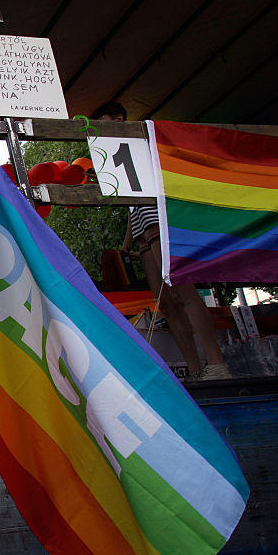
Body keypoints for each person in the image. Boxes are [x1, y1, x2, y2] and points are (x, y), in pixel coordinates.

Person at [96, 98, 230, 380]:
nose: (100, 127)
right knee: (165, 303)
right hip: (144, 229)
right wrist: (127, 244)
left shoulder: (143, 140)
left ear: (118, 119)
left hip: (160, 222)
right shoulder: (114, 153)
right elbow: (131, 201)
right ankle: (194, 369)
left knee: (184, 293)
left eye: (103, 120)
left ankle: (217, 364)